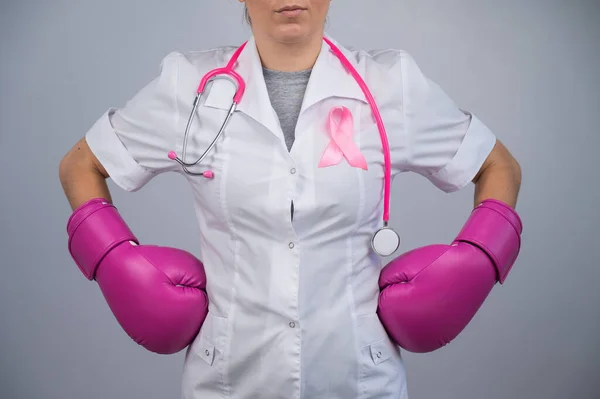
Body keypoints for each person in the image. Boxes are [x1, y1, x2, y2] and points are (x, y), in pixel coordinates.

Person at [58, 1, 523, 398]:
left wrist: (477, 263)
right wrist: (114, 262)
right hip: (228, 380)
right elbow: (80, 165)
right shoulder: (190, 86)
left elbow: (499, 166)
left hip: (360, 380)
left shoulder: (390, 84)